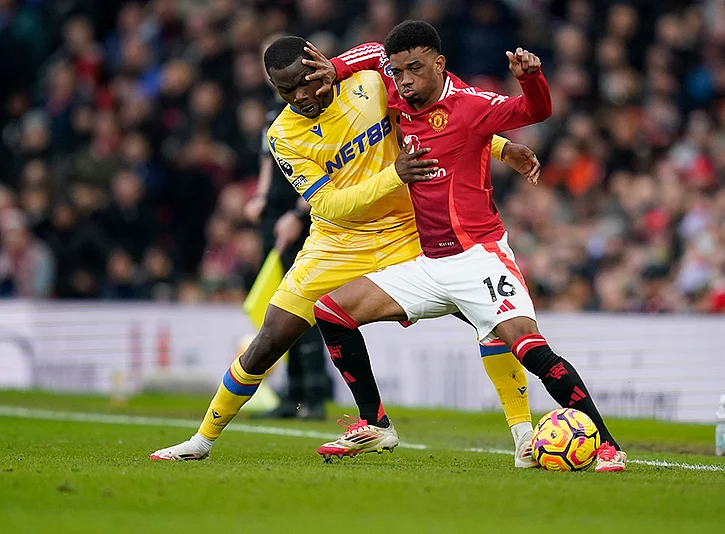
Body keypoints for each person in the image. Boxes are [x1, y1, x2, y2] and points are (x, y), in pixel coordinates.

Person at [150, 36, 543, 467]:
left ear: (319, 62)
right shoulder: (282, 135)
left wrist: (502, 147)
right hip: (336, 244)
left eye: (306, 81)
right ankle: (202, 440)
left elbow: (439, 121)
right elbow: (329, 205)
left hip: (410, 234)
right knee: (267, 342)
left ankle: (523, 436)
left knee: (490, 318)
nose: (301, 95)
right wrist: (395, 175)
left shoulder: (370, 85)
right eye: (286, 90)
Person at [307, 21, 627, 472]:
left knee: (531, 349)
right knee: (331, 312)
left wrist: (530, 76)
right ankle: (374, 423)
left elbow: (536, 111)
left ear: (439, 65)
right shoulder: (400, 92)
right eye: (398, 73)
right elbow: (374, 50)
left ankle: (609, 445)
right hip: (428, 263)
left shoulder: (471, 105)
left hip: (479, 257)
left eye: (414, 69)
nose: (404, 81)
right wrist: (336, 68)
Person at [241, 100, 331, 420]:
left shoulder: (312, 110)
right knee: (282, 308)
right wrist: (262, 198)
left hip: (302, 218)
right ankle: (293, 395)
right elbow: (269, 161)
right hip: (275, 217)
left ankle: (315, 395)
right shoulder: (272, 113)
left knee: (303, 305)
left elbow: (324, 167)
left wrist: (296, 214)